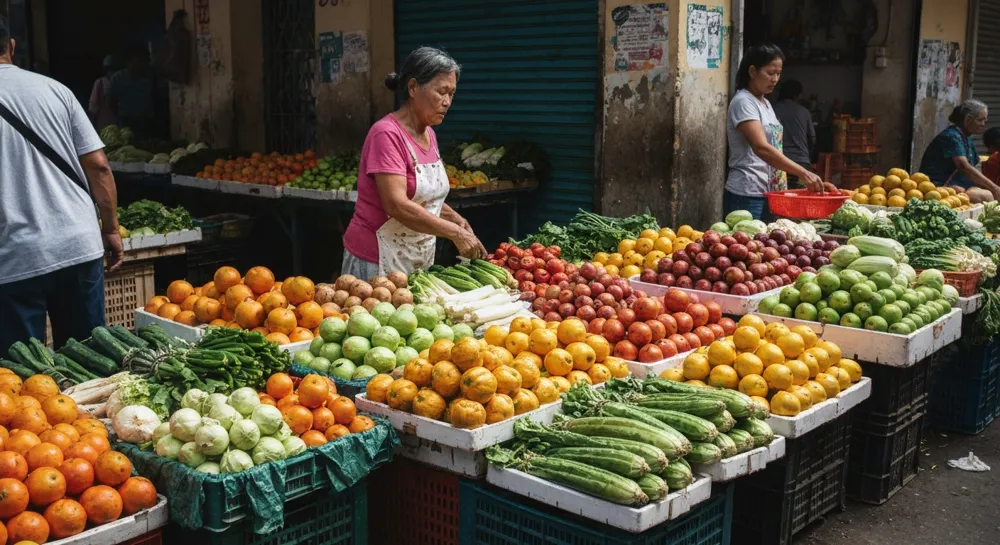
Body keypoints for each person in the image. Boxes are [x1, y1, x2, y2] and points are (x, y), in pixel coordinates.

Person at [0, 16, 124, 356]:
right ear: (11, 46)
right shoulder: (56, 90)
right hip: (77, 245)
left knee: (23, 378)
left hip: (14, 256)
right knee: (90, 359)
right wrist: (110, 228)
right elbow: (98, 166)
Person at [341, 47, 486, 278]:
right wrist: (455, 234)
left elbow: (423, 198)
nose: (447, 102)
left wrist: (457, 220)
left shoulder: (429, 134)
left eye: (452, 94)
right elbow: (396, 204)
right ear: (413, 88)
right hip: (376, 260)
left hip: (415, 259)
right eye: (442, 92)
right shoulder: (386, 134)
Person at [724, 44, 825, 222]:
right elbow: (761, 147)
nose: (775, 79)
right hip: (748, 193)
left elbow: (775, 147)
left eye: (778, 74)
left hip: (770, 193)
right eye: (770, 73)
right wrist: (803, 173)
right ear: (753, 71)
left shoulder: (766, 104)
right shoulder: (744, 102)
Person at [918, 100, 1000, 203]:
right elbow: (964, 166)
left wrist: (991, 187)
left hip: (958, 186)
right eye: (980, 120)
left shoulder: (967, 138)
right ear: (968, 119)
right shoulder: (951, 136)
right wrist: (994, 187)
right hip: (937, 187)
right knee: (980, 195)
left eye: (984, 121)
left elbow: (974, 167)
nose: (983, 124)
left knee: (986, 194)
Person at [772, 80, 815, 186]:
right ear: (798, 95)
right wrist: (806, 152)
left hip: (780, 162)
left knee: (782, 198)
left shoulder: (772, 110)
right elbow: (812, 138)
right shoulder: (804, 112)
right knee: (801, 197)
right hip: (801, 162)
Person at [107, 44, 154, 136]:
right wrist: (120, 116)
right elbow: (110, 101)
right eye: (138, 62)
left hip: (148, 123)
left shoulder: (150, 77)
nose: (142, 65)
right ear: (128, 62)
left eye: (144, 61)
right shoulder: (118, 78)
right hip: (127, 123)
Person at [88, 55, 118, 131]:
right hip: (104, 126)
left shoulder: (120, 82)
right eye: (111, 69)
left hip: (118, 124)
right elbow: (93, 107)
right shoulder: (100, 83)